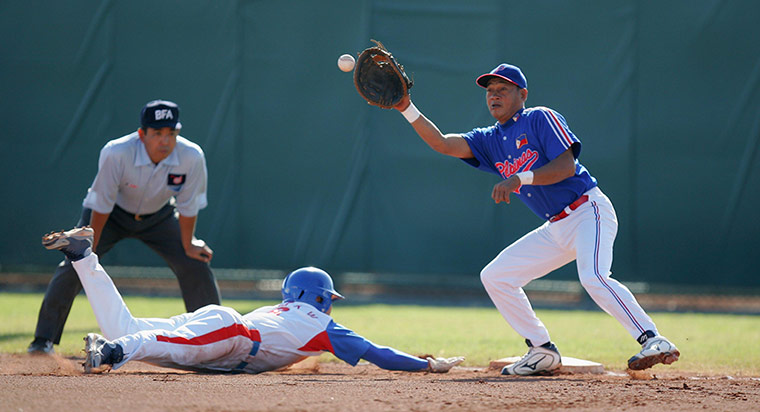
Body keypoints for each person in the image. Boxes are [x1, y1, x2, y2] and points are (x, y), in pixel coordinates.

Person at [390, 63, 679, 375]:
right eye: (490, 91)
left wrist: (519, 178)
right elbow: (443, 144)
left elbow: (566, 167)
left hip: (588, 210)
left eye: (502, 90)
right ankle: (542, 350)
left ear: (522, 94)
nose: (494, 96)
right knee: (496, 276)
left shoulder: (539, 117)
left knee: (593, 276)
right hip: (556, 226)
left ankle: (653, 339)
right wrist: (406, 108)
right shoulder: (489, 139)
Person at [40, 227, 464, 374]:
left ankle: (83, 257)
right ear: (318, 298)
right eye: (328, 299)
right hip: (233, 333)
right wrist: (427, 363)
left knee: (129, 329)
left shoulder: (285, 312)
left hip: (226, 326)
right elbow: (379, 354)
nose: (330, 306)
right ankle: (111, 353)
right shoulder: (321, 325)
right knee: (156, 344)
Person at [28, 100, 221, 354]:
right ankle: (43, 342)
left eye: (172, 133)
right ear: (142, 134)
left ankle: (216, 340)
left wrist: (188, 244)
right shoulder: (117, 152)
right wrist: (87, 249)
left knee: (195, 262)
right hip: (111, 215)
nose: (165, 140)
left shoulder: (191, 156)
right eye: (158, 133)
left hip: (159, 217)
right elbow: (102, 202)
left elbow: (188, 205)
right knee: (75, 263)